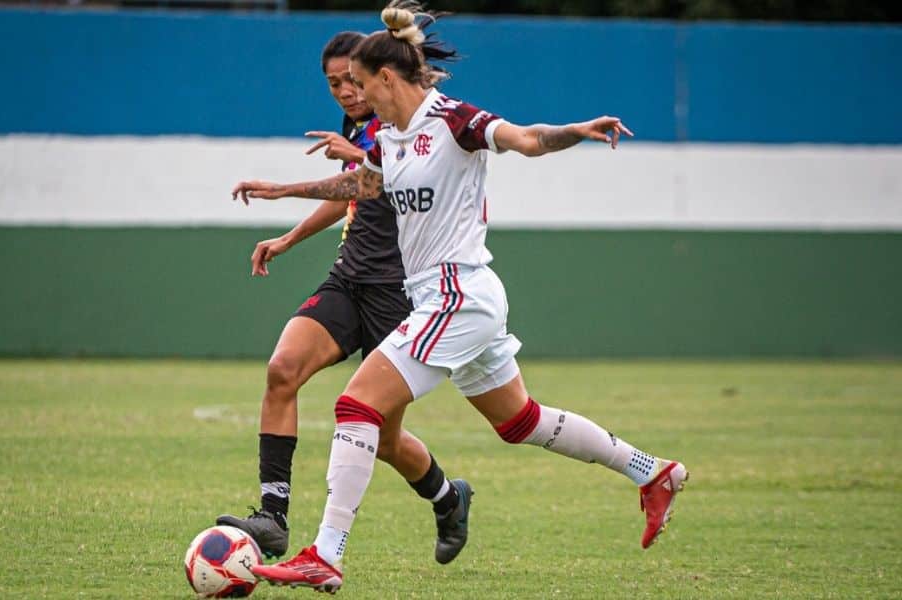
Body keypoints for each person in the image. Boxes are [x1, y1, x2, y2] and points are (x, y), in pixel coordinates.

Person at [233, 2, 688, 593]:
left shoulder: (454, 120)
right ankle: (653, 472)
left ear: (387, 80)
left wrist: (575, 131)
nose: (356, 94)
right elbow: (364, 183)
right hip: (445, 299)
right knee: (520, 421)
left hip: (457, 292)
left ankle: (325, 552)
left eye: (362, 83)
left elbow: (525, 138)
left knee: (356, 407)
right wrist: (283, 193)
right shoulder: (391, 137)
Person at [216, 31, 473, 567]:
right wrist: (289, 237)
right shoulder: (360, 124)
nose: (345, 92)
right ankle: (273, 516)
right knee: (282, 369)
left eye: (352, 81)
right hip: (349, 279)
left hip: (404, 294)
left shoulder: (409, 118)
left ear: (376, 74)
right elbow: (354, 189)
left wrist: (352, 157)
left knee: (384, 436)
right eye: (334, 83)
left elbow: (377, 176)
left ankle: (448, 498)